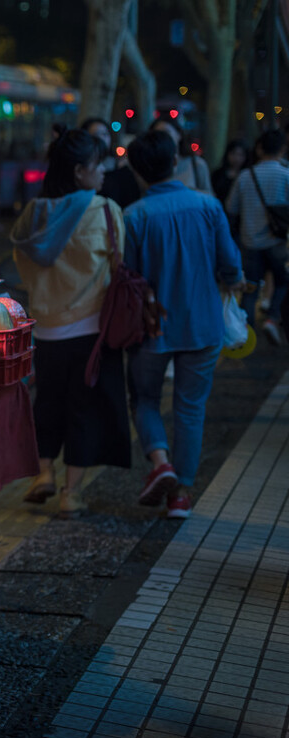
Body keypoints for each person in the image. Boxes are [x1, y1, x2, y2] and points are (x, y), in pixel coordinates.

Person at [11, 125, 132, 518]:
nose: (105, 170)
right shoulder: (105, 212)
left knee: (46, 403)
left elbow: (24, 268)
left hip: (46, 329)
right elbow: (118, 266)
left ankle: (43, 474)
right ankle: (71, 494)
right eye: (99, 164)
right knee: (84, 409)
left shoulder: (33, 215)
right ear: (80, 170)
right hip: (91, 331)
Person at [122, 131, 243, 519]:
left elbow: (129, 276)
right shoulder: (208, 206)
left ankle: (161, 463)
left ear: (138, 172)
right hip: (203, 324)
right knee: (191, 408)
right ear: (176, 161)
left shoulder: (134, 215)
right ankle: (181, 496)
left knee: (144, 399)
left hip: (152, 326)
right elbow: (230, 264)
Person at [225, 127, 289, 346]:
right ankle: (272, 319)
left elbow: (231, 207)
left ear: (260, 149)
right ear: (282, 149)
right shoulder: (286, 174)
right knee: (282, 282)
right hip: (277, 241)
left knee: (250, 289)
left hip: (250, 241)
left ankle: (245, 334)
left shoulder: (245, 176)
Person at [151, 116, 213, 195]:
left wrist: (188, 193)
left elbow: (209, 195)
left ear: (179, 134)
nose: (162, 138)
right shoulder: (151, 165)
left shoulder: (196, 164)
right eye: (157, 135)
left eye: (166, 133)